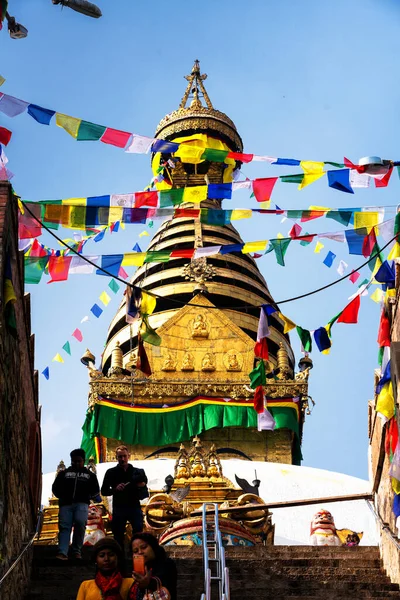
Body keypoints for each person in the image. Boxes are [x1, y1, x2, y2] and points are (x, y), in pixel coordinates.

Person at [52, 448, 100, 560]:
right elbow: (55, 488)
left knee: (80, 524)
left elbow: (95, 490)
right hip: (65, 504)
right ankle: (63, 552)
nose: (76, 463)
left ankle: (76, 551)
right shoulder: (64, 474)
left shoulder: (90, 475)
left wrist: (89, 496)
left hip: (82, 504)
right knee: (64, 527)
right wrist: (62, 496)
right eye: (74, 461)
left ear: (84, 461)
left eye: (79, 461)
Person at [101, 446, 148, 551]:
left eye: (124, 456)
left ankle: (137, 554)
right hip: (119, 507)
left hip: (134, 505)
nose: (122, 459)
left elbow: (144, 484)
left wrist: (141, 485)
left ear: (129, 456)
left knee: (138, 531)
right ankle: (119, 558)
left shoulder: (138, 472)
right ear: (116, 457)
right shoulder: (111, 472)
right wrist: (115, 489)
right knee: (118, 534)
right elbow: (104, 491)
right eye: (120, 457)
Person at [129, 533, 177, 600]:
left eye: (144, 547)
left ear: (153, 547)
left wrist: (149, 583)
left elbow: (165, 581)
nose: (140, 552)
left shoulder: (167, 564)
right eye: (135, 551)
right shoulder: (137, 571)